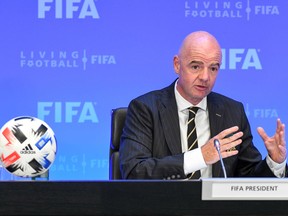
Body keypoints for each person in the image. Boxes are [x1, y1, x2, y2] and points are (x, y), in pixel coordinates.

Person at [118, 30, 287, 180]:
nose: (205, 77)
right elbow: (134, 171)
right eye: (196, 66)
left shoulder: (233, 112)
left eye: (213, 68)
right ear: (177, 65)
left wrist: (274, 162)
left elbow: (248, 180)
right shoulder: (145, 108)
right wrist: (200, 157)